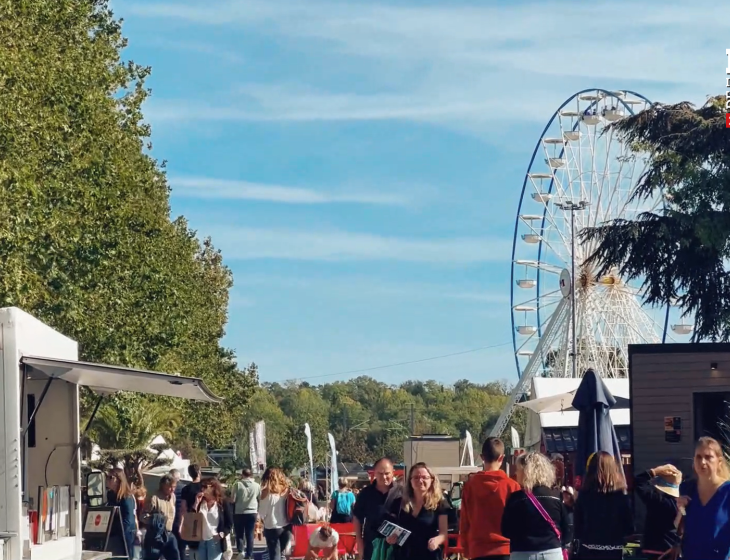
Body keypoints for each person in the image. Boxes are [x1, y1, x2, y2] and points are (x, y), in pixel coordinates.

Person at [460, 437, 521, 560]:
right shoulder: (512, 486)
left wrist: (465, 547)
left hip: (478, 549)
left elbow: (464, 520)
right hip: (506, 549)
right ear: (501, 458)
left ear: (482, 457)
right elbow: (519, 521)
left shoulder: (470, 486)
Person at [501, 452, 569, 560]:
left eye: (518, 469)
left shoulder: (516, 499)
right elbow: (566, 529)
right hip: (551, 552)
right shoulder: (556, 497)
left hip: (522, 553)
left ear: (525, 472)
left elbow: (505, 530)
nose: (516, 473)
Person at [573, 452, 633, 559]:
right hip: (613, 551)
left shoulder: (584, 497)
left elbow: (578, 528)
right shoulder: (621, 498)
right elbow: (629, 528)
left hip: (588, 551)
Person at [679, 436, 730, 560]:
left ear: (719, 462)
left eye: (708, 457)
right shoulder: (686, 489)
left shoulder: (727, 491)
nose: (702, 462)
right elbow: (679, 527)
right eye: (699, 457)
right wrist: (679, 509)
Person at [385, 462, 448, 560]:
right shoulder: (398, 503)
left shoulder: (440, 504)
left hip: (428, 555)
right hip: (402, 555)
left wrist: (436, 541)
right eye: (416, 477)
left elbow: (443, 533)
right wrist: (390, 537)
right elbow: (391, 528)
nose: (420, 480)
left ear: (432, 480)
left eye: (424, 477)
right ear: (410, 481)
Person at [353, 457, 402, 560]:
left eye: (387, 473)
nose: (384, 477)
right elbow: (357, 517)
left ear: (393, 472)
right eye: (380, 473)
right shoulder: (365, 493)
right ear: (374, 473)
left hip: (396, 546)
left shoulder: (402, 492)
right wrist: (359, 543)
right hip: (372, 544)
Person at [634, 464, 681, 560]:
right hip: (671, 550)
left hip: (653, 550)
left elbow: (638, 481)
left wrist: (655, 471)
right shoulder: (681, 504)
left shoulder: (656, 500)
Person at [192, 477, 234, 560]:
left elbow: (229, 523)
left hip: (215, 540)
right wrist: (196, 504)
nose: (202, 489)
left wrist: (222, 534)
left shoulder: (222, 502)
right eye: (201, 487)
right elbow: (193, 520)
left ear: (213, 487)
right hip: (201, 540)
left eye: (205, 487)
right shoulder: (200, 502)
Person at [258, 467, 293, 560]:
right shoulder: (287, 490)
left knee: (275, 555)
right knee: (281, 554)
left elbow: (262, 512)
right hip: (287, 526)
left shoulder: (266, 492)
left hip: (272, 526)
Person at [144, 474, 180, 560]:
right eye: (170, 487)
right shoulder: (154, 497)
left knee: (176, 556)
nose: (172, 489)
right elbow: (143, 516)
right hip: (155, 535)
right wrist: (154, 520)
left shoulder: (173, 497)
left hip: (169, 533)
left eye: (174, 487)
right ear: (163, 485)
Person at [106, 468, 138, 560]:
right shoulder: (111, 495)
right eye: (107, 477)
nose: (107, 480)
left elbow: (128, 519)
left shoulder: (126, 497)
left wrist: (122, 535)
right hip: (114, 533)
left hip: (125, 533)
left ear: (118, 480)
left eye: (110, 477)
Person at [232, 468, 260, 560]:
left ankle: (241, 552)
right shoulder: (257, 486)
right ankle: (249, 554)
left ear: (242, 475)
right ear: (251, 475)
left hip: (239, 512)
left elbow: (233, 499)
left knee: (239, 533)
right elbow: (260, 499)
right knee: (250, 534)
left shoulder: (237, 485)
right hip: (252, 512)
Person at [179, 464, 203, 557]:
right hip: (205, 517)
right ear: (199, 472)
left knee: (193, 545)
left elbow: (183, 508)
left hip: (191, 518)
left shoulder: (186, 489)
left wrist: (182, 524)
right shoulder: (204, 486)